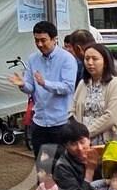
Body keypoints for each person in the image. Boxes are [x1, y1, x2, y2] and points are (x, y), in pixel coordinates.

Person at [9, 20, 78, 171]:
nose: (39, 44)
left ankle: (60, 187)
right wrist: (22, 85)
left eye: (43, 40)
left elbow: (68, 87)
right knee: (43, 169)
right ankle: (44, 187)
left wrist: (45, 83)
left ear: (54, 39)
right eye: (36, 40)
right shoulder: (33, 59)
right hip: (40, 122)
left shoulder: (67, 59)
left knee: (62, 168)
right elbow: (30, 88)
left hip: (61, 121)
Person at [71, 44, 117, 146]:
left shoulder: (115, 84)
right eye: (87, 59)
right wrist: (77, 132)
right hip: (83, 143)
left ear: (105, 62)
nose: (90, 62)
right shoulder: (83, 83)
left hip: (107, 142)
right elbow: (72, 109)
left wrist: (86, 132)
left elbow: (111, 116)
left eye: (95, 59)